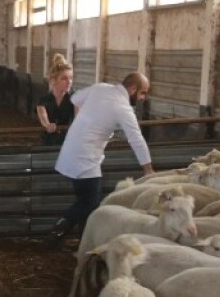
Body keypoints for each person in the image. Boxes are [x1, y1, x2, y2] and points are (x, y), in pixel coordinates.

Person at [51, 71, 155, 239]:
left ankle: (82, 241)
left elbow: (74, 99)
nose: (143, 97)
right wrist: (148, 170)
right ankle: (61, 226)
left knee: (85, 200)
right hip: (86, 158)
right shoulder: (123, 109)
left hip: (71, 148)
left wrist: (87, 119)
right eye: (143, 92)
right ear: (133, 89)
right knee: (90, 203)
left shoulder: (101, 88)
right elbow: (136, 139)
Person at [36, 54, 75, 146]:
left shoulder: (75, 97)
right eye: (64, 78)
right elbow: (43, 116)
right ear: (54, 80)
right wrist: (48, 125)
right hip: (48, 142)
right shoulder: (43, 100)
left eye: (71, 78)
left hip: (69, 142)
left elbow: (79, 115)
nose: (69, 82)